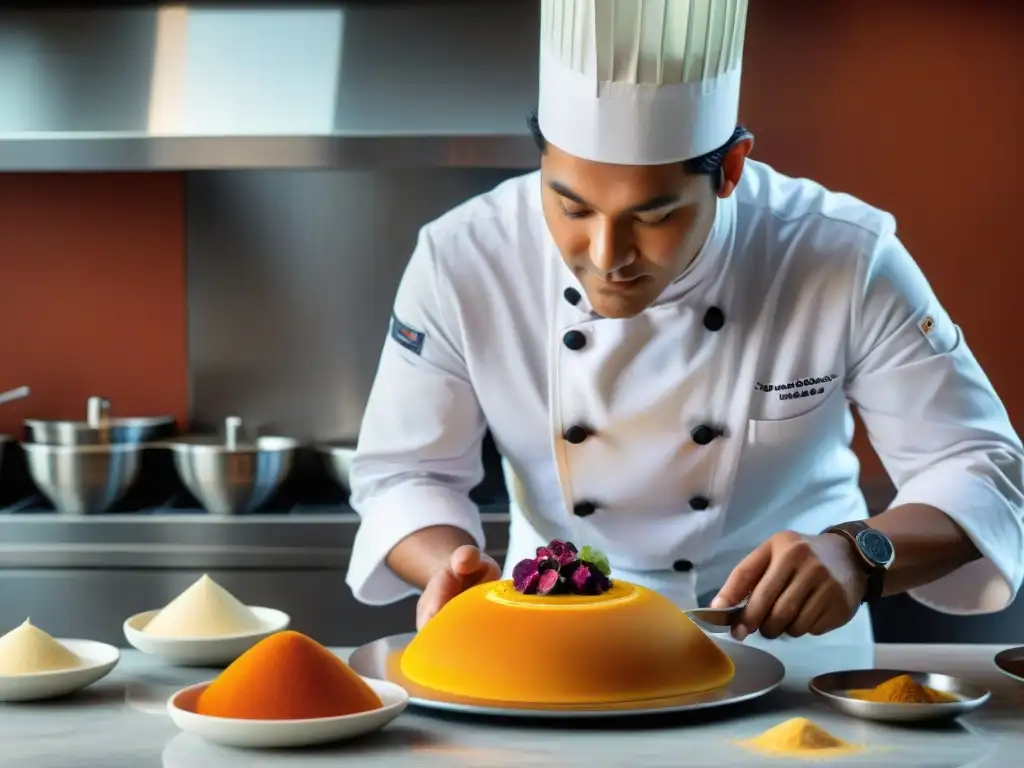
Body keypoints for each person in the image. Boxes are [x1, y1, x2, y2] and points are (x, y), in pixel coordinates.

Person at [345, 0, 1024, 650]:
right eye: (571, 207)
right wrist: (448, 566)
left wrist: (859, 555)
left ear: (729, 169)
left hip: (786, 648)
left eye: (652, 217)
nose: (606, 257)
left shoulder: (840, 254)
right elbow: (407, 474)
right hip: (553, 644)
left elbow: (979, 466)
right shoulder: (464, 256)